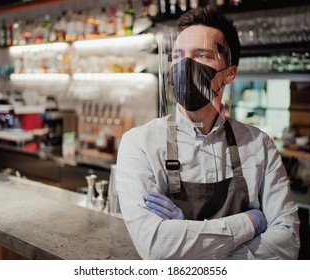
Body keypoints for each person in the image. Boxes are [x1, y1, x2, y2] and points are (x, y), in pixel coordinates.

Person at [115, 5, 300, 260]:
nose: (185, 65)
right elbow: (156, 246)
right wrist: (252, 222)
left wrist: (187, 239)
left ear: (229, 73)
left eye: (201, 55)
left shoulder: (259, 145)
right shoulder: (140, 143)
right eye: (178, 55)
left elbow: (286, 243)